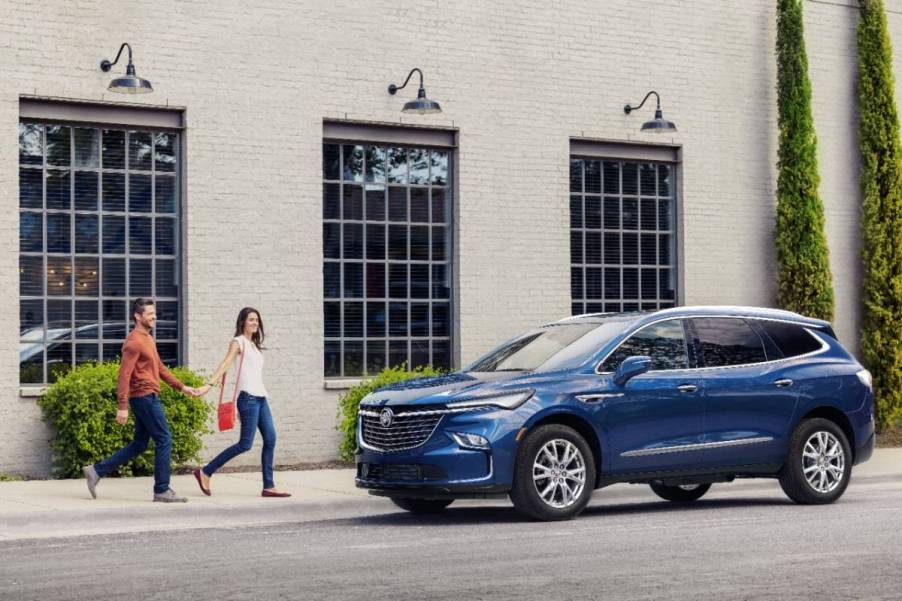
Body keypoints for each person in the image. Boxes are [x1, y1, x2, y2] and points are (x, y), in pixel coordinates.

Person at [83, 297, 200, 502]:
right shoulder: (134, 341)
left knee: (139, 444)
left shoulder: (148, 338)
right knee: (164, 439)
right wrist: (122, 406)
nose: (155, 317)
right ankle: (162, 490)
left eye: (155, 313)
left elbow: (160, 368)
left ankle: (96, 471)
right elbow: (124, 375)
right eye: (150, 314)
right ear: (138, 316)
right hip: (144, 397)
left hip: (148, 396)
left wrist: (182, 387)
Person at [192, 307, 291, 498]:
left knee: (270, 438)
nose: (254, 323)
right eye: (251, 319)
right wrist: (208, 385)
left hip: (261, 398)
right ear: (243, 322)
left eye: (257, 320)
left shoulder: (253, 345)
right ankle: (205, 471)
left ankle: (269, 486)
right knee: (245, 444)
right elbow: (225, 364)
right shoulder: (238, 343)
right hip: (248, 399)